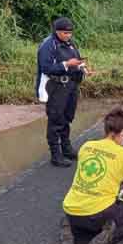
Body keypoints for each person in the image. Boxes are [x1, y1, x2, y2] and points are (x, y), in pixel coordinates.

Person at [60, 108, 123, 244]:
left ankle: (69, 225)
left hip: (71, 209)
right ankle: (110, 235)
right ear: (122, 133)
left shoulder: (87, 146)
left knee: (77, 214)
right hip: (98, 215)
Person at [37, 17, 87, 168]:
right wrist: (66, 64)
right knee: (55, 119)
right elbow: (46, 67)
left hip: (71, 85)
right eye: (65, 33)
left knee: (67, 117)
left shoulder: (70, 44)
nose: (68, 35)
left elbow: (76, 60)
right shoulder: (48, 45)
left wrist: (82, 68)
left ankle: (67, 149)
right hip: (56, 86)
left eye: (70, 33)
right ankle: (55, 155)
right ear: (57, 31)